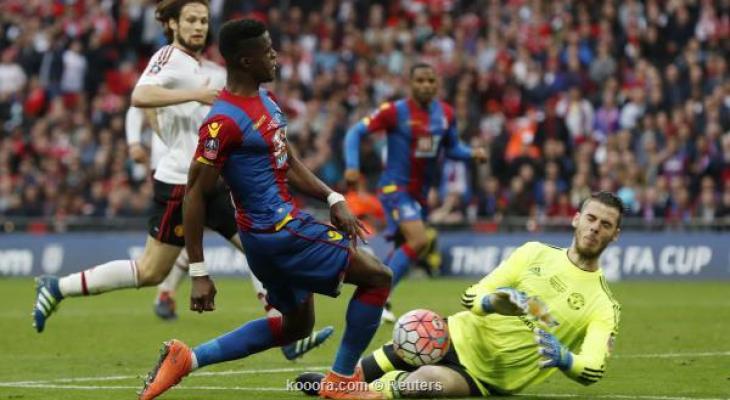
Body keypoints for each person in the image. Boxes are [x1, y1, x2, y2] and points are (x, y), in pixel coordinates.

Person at [32, 0, 332, 361]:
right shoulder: (168, 57)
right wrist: (187, 101)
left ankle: (287, 332)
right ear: (172, 24)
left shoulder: (199, 66)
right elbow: (140, 96)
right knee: (150, 271)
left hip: (211, 181)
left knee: (260, 247)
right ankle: (57, 287)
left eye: (203, 20)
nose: (198, 27)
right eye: (190, 20)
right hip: (180, 183)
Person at [137, 18, 392, 400]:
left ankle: (187, 359)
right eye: (267, 51)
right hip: (280, 232)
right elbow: (194, 196)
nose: (275, 56)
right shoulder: (222, 122)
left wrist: (332, 197)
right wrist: (199, 271)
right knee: (378, 277)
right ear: (244, 60)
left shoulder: (265, 101)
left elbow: (286, 162)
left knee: (296, 327)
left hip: (268, 238)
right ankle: (342, 384)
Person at [298, 191, 623, 398]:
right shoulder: (534, 252)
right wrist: (491, 302)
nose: (595, 228)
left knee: (427, 383)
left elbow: (592, 369)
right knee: (419, 326)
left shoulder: (602, 304)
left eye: (605, 224)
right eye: (591, 218)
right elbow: (473, 295)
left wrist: (566, 360)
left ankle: (367, 392)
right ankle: (343, 380)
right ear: (576, 219)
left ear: (615, 234)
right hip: (451, 335)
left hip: (483, 378)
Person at [343, 63, 487, 322]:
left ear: (437, 84)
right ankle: (382, 294)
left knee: (405, 246)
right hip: (395, 188)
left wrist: (472, 154)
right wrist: (352, 167)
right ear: (410, 84)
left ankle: (373, 294)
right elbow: (355, 133)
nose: (426, 85)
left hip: (420, 194)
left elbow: (453, 148)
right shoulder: (394, 112)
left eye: (431, 81)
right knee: (419, 240)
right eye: (420, 80)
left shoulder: (445, 114)